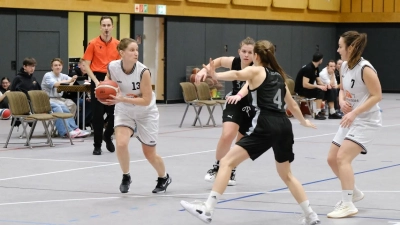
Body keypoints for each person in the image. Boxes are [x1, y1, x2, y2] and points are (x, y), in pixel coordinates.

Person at [181, 40, 320, 225]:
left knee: (226, 162)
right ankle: (311, 215)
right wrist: (304, 122)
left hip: (266, 124)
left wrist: (215, 75)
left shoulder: (256, 70)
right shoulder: (279, 77)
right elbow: (293, 105)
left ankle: (208, 209)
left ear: (256, 55)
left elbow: (238, 73)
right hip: (285, 126)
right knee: (287, 175)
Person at [95, 38, 172, 194]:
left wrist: (122, 98)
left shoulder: (143, 71)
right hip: (125, 110)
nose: (136, 53)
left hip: (146, 112)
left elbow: (146, 100)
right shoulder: (112, 67)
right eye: (132, 50)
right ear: (122, 53)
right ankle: (126, 176)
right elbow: (107, 85)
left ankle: (164, 177)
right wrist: (104, 94)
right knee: (121, 143)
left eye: (137, 49)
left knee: (149, 153)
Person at [326, 31, 382, 218]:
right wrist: (342, 102)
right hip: (350, 118)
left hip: (366, 121)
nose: (338, 49)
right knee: (332, 159)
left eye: (340, 46)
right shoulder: (343, 67)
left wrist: (355, 112)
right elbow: (341, 89)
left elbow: (377, 95)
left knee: (343, 158)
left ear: (350, 48)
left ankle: (348, 203)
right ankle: (354, 193)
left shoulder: (365, 68)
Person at [196, 37, 255, 186]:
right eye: (244, 51)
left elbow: (248, 84)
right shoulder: (234, 62)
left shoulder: (257, 67)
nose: (246, 55)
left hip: (251, 105)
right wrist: (204, 70)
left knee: (241, 142)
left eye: (250, 52)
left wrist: (240, 95)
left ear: (255, 54)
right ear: (239, 52)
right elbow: (221, 60)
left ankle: (231, 169)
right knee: (227, 134)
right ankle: (217, 167)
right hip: (234, 102)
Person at [82, 15, 120, 155]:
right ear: (100, 27)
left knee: (114, 113)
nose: (106, 28)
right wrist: (96, 81)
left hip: (112, 78)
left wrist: (110, 78)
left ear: (112, 27)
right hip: (97, 78)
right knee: (97, 115)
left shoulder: (117, 44)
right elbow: (86, 64)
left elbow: (119, 64)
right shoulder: (92, 43)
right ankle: (97, 145)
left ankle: (107, 135)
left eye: (108, 25)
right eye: (103, 25)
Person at [41, 58, 90, 138]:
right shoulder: (48, 75)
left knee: (71, 104)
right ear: (52, 67)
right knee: (59, 107)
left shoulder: (62, 75)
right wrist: (69, 81)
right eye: (55, 65)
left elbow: (71, 81)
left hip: (59, 99)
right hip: (48, 99)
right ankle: (65, 131)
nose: (58, 67)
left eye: (59, 65)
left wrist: (73, 79)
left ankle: (74, 128)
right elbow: (56, 84)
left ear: (62, 66)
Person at [295, 53, 342, 120]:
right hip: (301, 90)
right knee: (320, 91)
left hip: (308, 88)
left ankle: (332, 112)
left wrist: (325, 86)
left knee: (330, 90)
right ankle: (317, 113)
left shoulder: (316, 68)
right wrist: (318, 86)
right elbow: (305, 84)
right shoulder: (309, 68)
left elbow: (319, 81)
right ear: (320, 60)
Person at [10, 58, 42, 127]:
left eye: (33, 66)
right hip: (22, 104)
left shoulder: (33, 79)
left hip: (34, 103)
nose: (32, 68)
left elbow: (39, 91)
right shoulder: (18, 78)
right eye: (30, 66)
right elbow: (12, 93)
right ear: (24, 66)